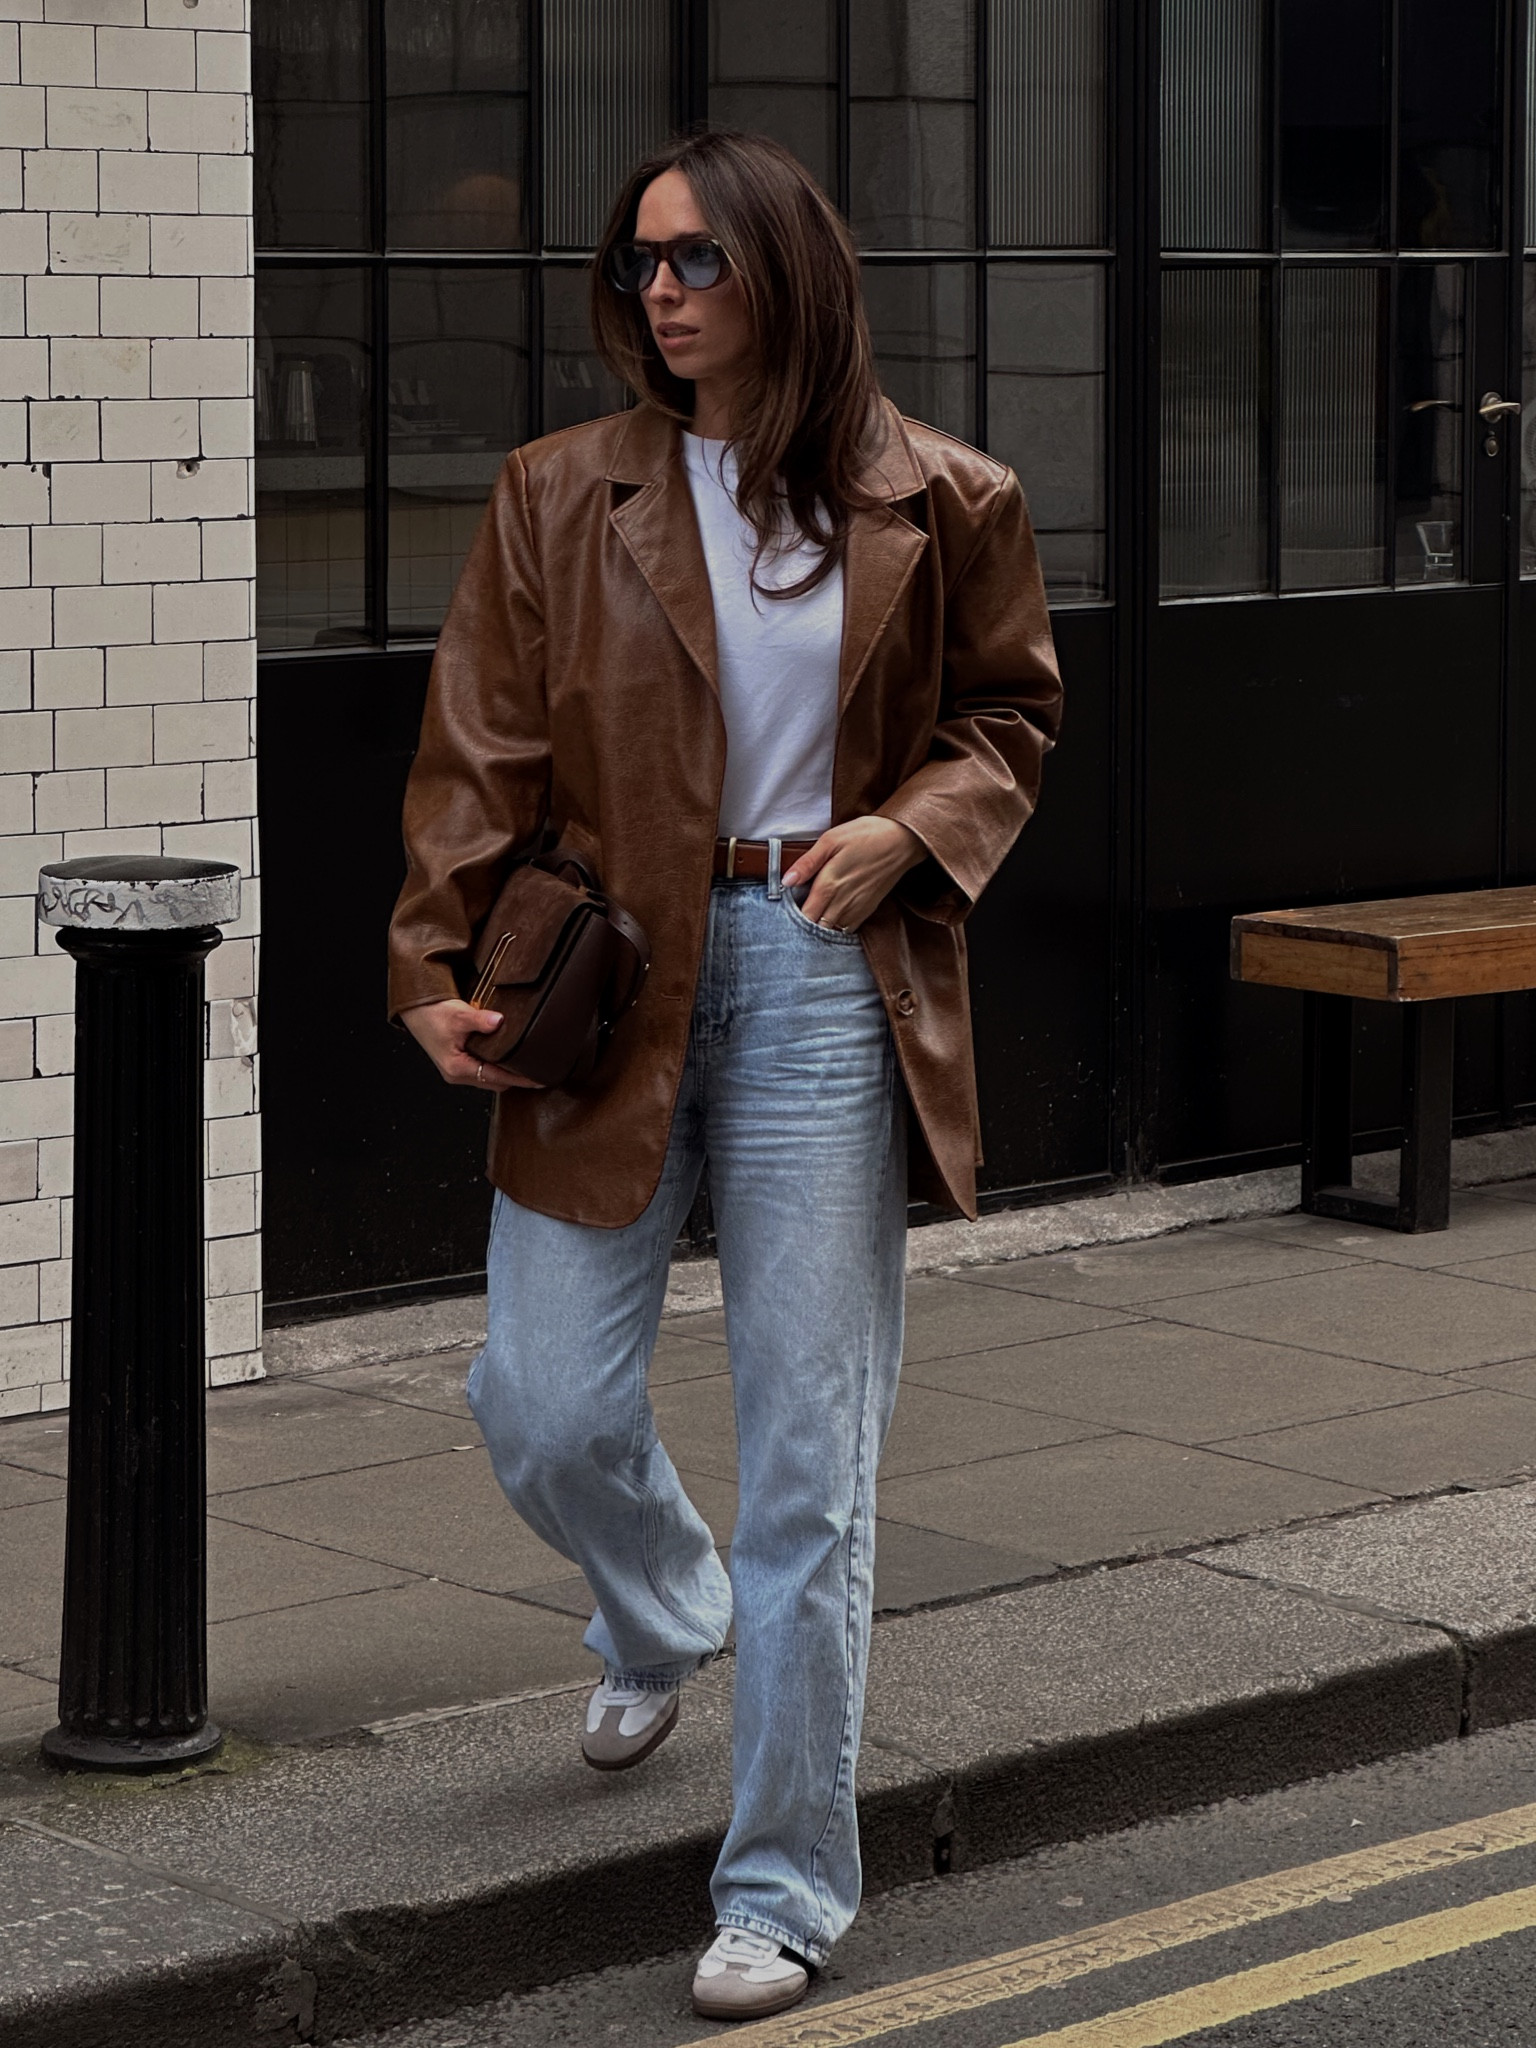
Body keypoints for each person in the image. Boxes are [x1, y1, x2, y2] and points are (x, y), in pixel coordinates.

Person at [387, 128, 1062, 2023]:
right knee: (537, 1393)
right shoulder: (557, 494)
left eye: (694, 259)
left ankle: (782, 1885)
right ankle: (668, 1613)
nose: (658, 290)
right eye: (641, 265)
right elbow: (477, 746)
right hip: (609, 971)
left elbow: (1009, 712)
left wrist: (910, 834)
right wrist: (432, 956)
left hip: (822, 973)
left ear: (788, 272)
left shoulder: (948, 495)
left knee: (810, 1465)